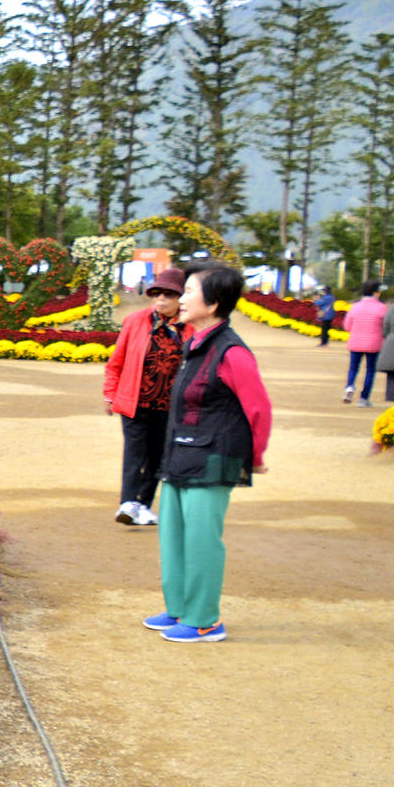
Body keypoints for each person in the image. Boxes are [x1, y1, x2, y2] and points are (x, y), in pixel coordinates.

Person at [144, 262, 271, 644]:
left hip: (213, 458)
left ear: (214, 304)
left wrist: (256, 456)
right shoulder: (194, 342)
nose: (180, 299)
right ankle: (179, 608)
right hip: (181, 453)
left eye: (189, 292)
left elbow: (258, 408)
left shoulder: (232, 351)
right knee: (173, 536)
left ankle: (205, 620)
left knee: (201, 540)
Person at [102, 267, 192, 527]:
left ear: (181, 298)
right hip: (136, 400)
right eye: (157, 294)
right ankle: (128, 503)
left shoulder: (190, 327)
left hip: (169, 405)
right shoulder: (136, 321)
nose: (161, 299)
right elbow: (116, 361)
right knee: (135, 452)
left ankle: (143, 505)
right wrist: (110, 393)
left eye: (168, 294)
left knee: (158, 456)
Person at [341, 279, 387, 407]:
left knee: (353, 368)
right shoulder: (382, 307)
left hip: (356, 342)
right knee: (370, 370)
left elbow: (347, 326)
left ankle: (350, 386)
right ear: (376, 292)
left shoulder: (355, 306)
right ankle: (364, 398)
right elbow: (385, 327)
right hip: (374, 343)